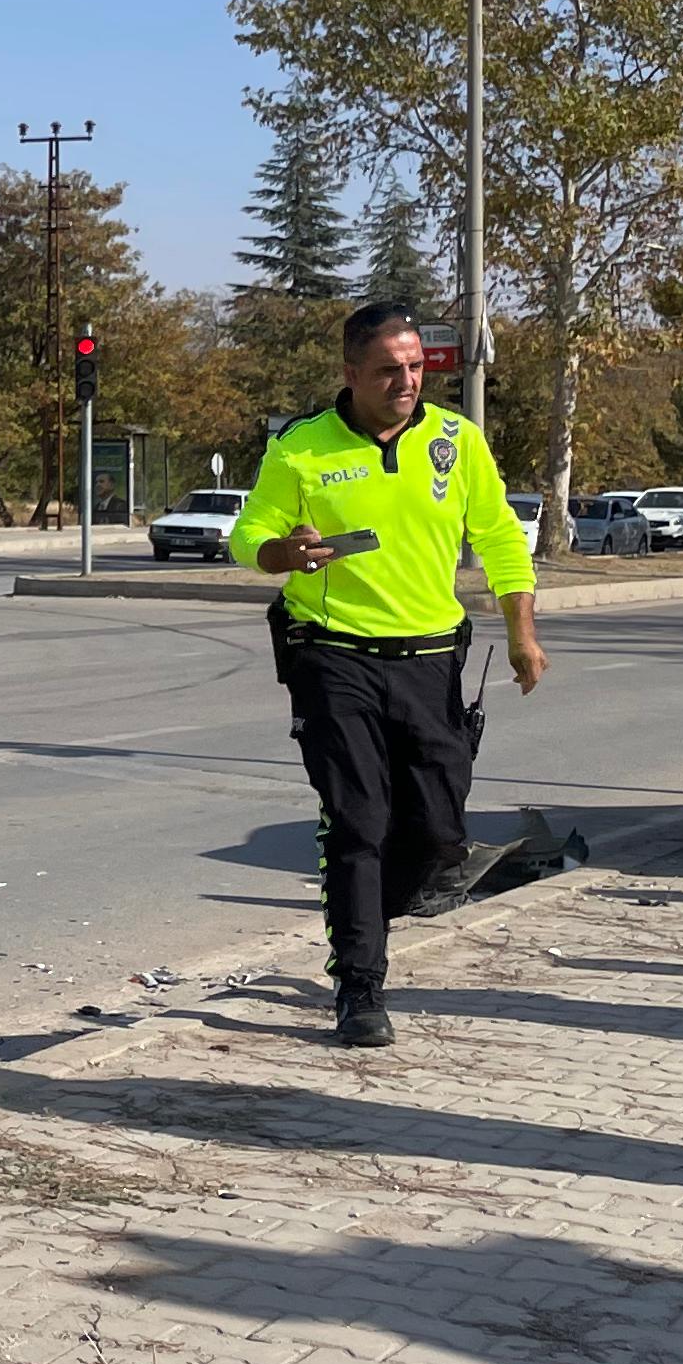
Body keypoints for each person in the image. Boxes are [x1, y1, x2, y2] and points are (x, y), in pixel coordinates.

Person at [224, 300, 544, 1048]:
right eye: (389, 371)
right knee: (358, 821)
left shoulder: (456, 441)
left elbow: (498, 537)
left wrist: (524, 634)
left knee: (439, 835)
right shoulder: (302, 447)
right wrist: (282, 554)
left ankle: (368, 904)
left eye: (415, 368)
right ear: (350, 375)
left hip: (431, 656)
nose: (407, 382)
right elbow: (249, 535)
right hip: (332, 654)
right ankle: (360, 986)